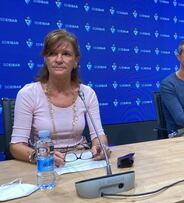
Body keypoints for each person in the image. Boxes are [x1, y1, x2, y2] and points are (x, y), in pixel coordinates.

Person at [10, 29, 111, 166]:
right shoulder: (28, 94)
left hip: (81, 161)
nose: (58, 60)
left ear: (76, 60)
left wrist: (100, 147)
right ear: (45, 59)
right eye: (52, 54)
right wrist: (39, 156)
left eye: (66, 54)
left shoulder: (86, 93)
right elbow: (16, 146)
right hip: (44, 166)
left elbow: (98, 136)